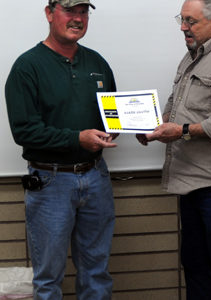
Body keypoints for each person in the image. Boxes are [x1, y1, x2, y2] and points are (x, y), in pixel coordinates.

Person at [137, 0, 211, 299]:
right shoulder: (190, 60)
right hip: (191, 184)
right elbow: (176, 111)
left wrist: (183, 131)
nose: (183, 27)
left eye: (191, 21)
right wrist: (155, 127)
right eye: (182, 20)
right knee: (196, 269)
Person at [5, 0, 118, 299]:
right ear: (49, 13)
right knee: (48, 278)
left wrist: (138, 126)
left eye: (83, 12)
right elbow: (25, 131)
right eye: (70, 11)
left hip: (96, 178)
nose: (78, 19)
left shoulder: (97, 63)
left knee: (96, 273)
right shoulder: (27, 67)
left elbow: (113, 117)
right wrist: (76, 139)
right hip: (50, 183)